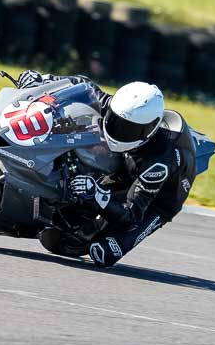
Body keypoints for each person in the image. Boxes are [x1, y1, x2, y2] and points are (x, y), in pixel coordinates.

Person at [15, 70, 197, 268]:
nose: (119, 132)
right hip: (126, 163)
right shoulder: (116, 107)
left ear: (149, 131)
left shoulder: (158, 162)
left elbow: (131, 217)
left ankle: (95, 226)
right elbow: (81, 84)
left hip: (158, 200)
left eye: (129, 130)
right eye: (116, 121)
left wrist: (98, 194)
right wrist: (43, 80)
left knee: (104, 253)